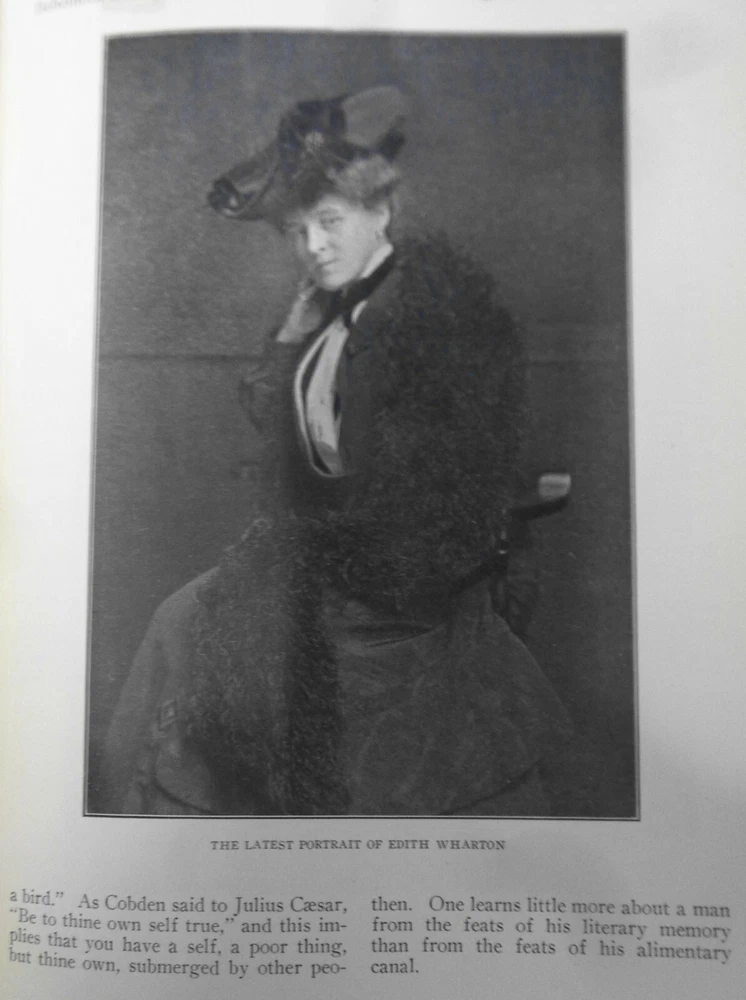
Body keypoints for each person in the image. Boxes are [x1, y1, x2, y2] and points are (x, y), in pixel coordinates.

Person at [98, 85, 572, 816]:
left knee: (189, 625)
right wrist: (295, 336)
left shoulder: (438, 317)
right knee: (179, 621)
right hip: (328, 561)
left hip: (404, 580)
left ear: (382, 211)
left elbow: (444, 487)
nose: (312, 247)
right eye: (295, 231)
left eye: (328, 222)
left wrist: (320, 563)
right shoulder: (339, 314)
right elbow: (291, 432)